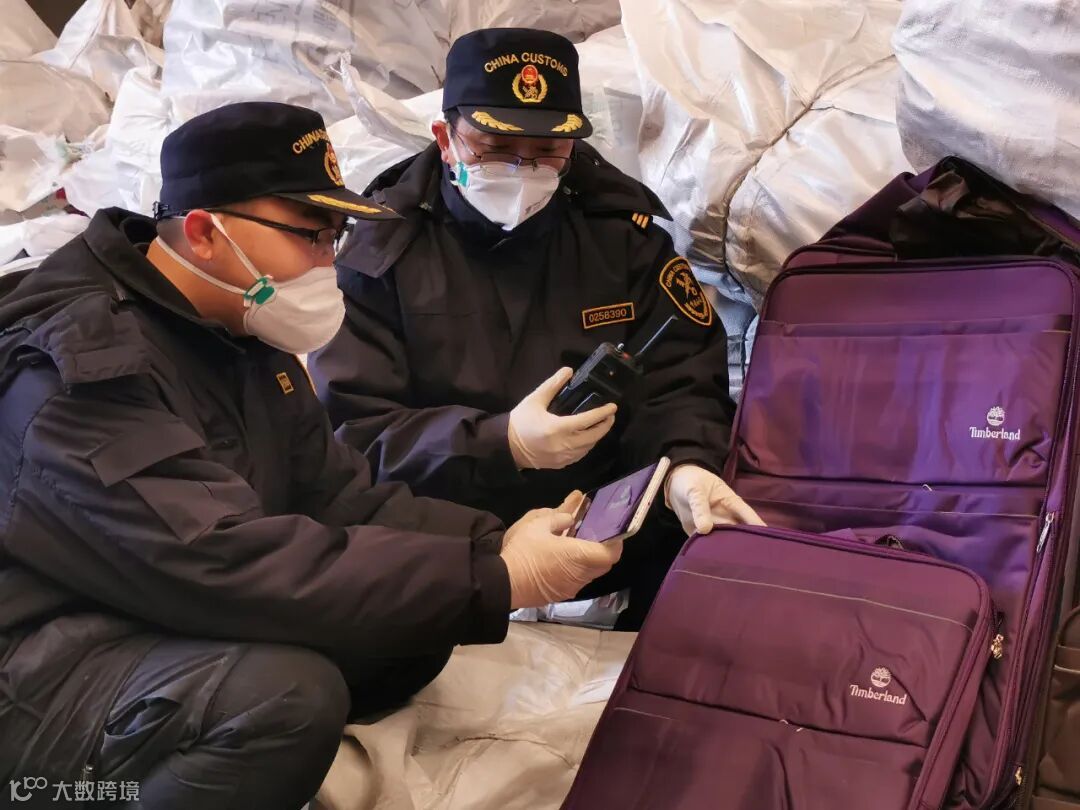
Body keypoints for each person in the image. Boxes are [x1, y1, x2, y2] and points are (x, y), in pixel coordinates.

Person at [0, 101, 620, 810]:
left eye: (334, 237)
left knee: (409, 628)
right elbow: (218, 559)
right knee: (284, 701)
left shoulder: (232, 323)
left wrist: (493, 544)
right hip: (37, 653)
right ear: (204, 233)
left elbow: (337, 495)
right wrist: (494, 580)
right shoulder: (82, 369)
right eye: (308, 236)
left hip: (141, 597)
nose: (328, 263)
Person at [309, 28, 762, 630]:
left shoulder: (621, 238)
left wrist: (684, 465)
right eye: (495, 147)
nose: (523, 169)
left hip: (608, 532)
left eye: (548, 150)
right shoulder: (380, 254)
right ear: (445, 138)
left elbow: (681, 378)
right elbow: (352, 435)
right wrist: (501, 442)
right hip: (454, 542)